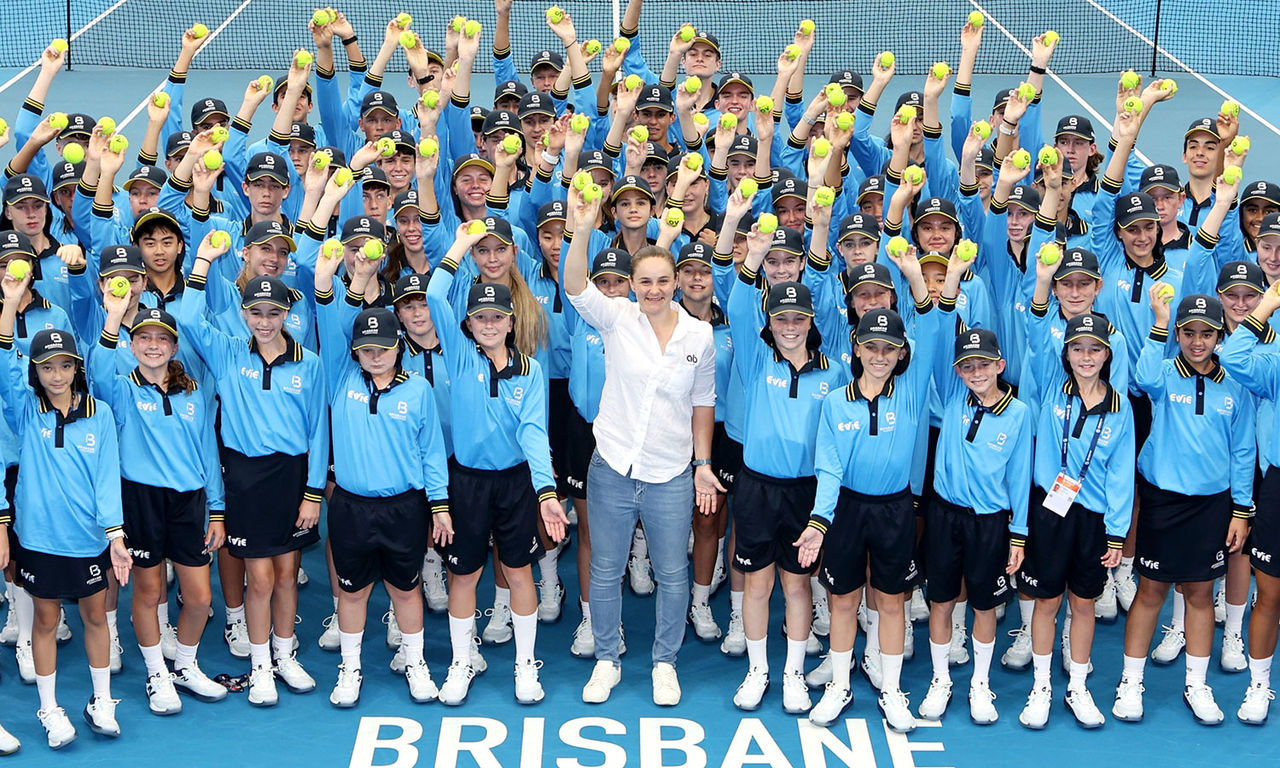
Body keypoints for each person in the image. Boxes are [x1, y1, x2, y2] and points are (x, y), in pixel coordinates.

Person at [563, 179, 720, 707]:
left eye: (663, 281)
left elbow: (703, 402)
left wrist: (702, 464)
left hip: (671, 473)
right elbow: (575, 286)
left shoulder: (700, 335)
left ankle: (664, 662)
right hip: (610, 465)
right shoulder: (616, 317)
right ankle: (607, 659)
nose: (653, 289)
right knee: (605, 568)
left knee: (674, 572)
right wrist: (582, 230)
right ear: (631, 284)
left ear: (677, 283)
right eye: (644, 281)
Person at [795, 243, 949, 733]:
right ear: (856, 348)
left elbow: (935, 325)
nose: (880, 356)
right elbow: (829, 469)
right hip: (847, 511)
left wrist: (913, 276)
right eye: (871, 347)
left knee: (890, 600)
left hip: (896, 511)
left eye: (890, 349)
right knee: (843, 600)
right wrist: (819, 524)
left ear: (901, 353)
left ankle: (891, 689)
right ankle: (840, 686)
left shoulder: (914, 382)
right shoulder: (836, 402)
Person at [181, 235, 327, 707]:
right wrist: (202, 261)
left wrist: (312, 493)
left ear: (287, 315)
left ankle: (285, 656)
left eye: (274, 313)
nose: (265, 322)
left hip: (292, 478)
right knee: (260, 580)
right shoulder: (226, 352)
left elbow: (318, 431)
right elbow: (185, 316)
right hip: (244, 478)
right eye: (256, 313)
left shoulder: (311, 362)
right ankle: (261, 664)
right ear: (243, 314)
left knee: (287, 574)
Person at [425, 220, 559, 706]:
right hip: (466, 482)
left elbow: (533, 434)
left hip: (516, 484)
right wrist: (460, 245)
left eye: (495, 318)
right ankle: (462, 662)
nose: (486, 324)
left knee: (520, 571)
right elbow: (437, 294)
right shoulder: (459, 354)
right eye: (478, 318)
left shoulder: (531, 369)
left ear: (509, 322)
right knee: (464, 574)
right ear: (468, 323)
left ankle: (526, 666)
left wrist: (546, 495)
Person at [0, 272, 131, 748]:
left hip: (89, 541)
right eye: (46, 367)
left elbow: (106, 480)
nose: (56, 375)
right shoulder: (25, 410)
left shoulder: (99, 414)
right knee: (46, 622)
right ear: (36, 371)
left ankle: (101, 701)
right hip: (39, 540)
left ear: (77, 367)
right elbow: (5, 367)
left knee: (96, 619)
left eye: (65, 366)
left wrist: (115, 537)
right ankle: (50, 709)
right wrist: (9, 307)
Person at [314, 252, 450, 707]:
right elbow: (337, 317)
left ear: (399, 347)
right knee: (351, 594)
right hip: (351, 507)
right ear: (354, 351)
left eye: (383, 348)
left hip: (404, 507)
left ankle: (415, 663)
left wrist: (441, 506)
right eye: (366, 349)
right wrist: (355, 277)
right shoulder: (340, 376)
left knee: (406, 589)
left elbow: (432, 453)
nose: (374, 356)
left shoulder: (418, 389)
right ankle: (350, 670)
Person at [1113, 291, 1253, 727]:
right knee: (1151, 591)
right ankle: (1130, 683)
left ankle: (1196, 683)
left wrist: (1241, 509)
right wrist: (1158, 321)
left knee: (1198, 593)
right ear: (1177, 334)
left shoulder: (1235, 383)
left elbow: (1243, 450)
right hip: (1163, 501)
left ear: (1218, 335)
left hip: (1212, 505)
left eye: (1207, 334)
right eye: (1188, 333)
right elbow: (1140, 376)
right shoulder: (1163, 375)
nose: (1197, 342)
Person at [91, 300, 228, 715]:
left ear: (174, 347)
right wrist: (113, 318)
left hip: (189, 503)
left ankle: (184, 666)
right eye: (144, 338)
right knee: (149, 592)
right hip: (141, 501)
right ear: (132, 346)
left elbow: (207, 448)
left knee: (200, 598)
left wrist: (217, 509)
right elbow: (96, 370)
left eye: (162, 339)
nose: (153, 346)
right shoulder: (121, 387)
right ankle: (157, 674)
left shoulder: (193, 391)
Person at [725, 268, 848, 714]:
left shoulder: (835, 372)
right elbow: (738, 305)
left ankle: (793, 673)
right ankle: (758, 671)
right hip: (757, 489)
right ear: (769, 321)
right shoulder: (757, 359)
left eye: (798, 318)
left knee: (797, 587)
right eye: (781, 319)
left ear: (812, 320)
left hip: (805, 492)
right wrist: (751, 254)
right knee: (757, 585)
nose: (790, 327)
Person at [1019, 312, 1135, 730]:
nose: (1086, 357)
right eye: (1077, 348)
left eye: (1095, 349)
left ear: (1108, 354)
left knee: (1083, 603)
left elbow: (1122, 472)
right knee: (1047, 601)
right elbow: (1035, 336)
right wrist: (1045, 282)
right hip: (1051, 511)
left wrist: (1118, 532)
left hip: (1093, 519)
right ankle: (1042, 687)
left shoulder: (1120, 408)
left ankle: (1078, 686)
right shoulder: (1051, 387)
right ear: (1065, 354)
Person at [918, 327, 1032, 725]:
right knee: (942, 601)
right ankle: (940, 679)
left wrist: (1019, 533)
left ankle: (980, 684)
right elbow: (936, 338)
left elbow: (1020, 477)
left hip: (990, 524)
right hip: (944, 516)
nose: (976, 372)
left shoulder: (1019, 414)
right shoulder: (952, 396)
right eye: (967, 366)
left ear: (1000, 366)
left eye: (984, 364)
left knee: (985, 605)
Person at [1220, 283, 1280, 725]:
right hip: (1277, 484)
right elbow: (1233, 358)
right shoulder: (1275, 360)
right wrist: (1267, 305)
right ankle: (1260, 685)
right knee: (1271, 594)